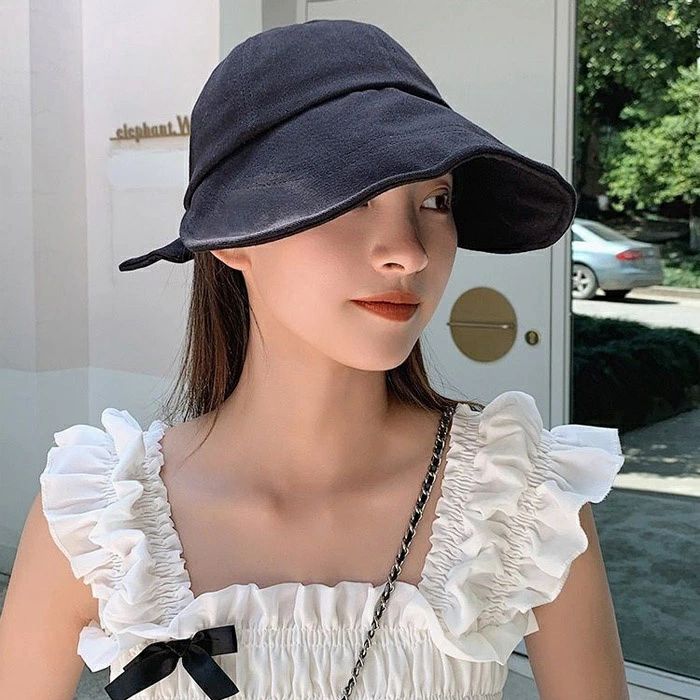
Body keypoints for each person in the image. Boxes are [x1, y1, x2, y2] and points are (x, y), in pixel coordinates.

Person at [0, 18, 629, 700]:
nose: (408, 252)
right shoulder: (101, 523)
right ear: (232, 237)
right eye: (349, 197)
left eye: (435, 200)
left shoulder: (521, 503)